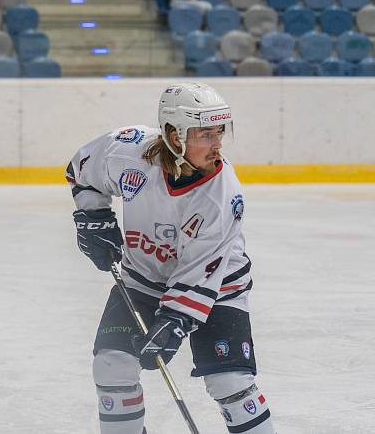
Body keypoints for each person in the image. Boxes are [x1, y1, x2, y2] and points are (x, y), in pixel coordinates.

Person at [67, 82, 276, 434]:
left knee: (229, 383)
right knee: (111, 366)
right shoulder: (126, 149)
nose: (217, 144)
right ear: (173, 134)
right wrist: (92, 216)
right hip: (142, 280)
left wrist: (174, 322)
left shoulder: (223, 198)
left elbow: (199, 278)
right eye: (205, 134)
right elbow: (82, 171)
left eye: (219, 132)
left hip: (218, 289)